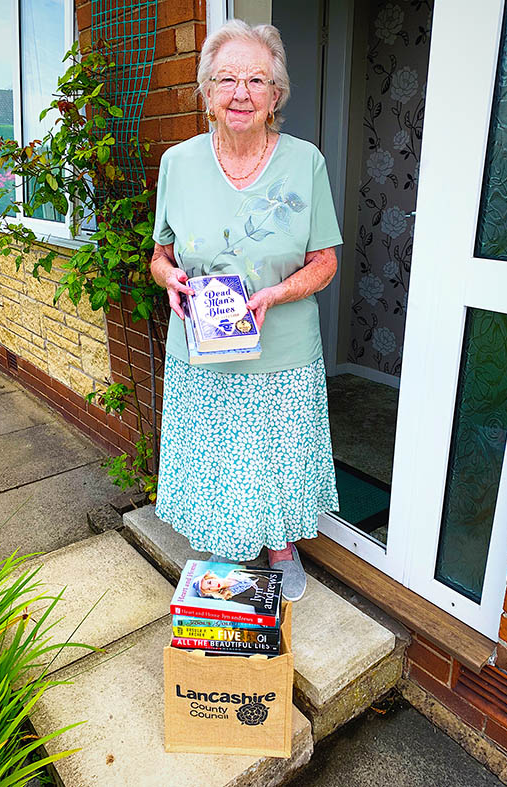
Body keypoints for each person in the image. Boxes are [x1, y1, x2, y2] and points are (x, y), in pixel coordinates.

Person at [150, 19, 342, 602]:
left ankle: (280, 548)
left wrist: (275, 294)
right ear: (206, 91)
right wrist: (170, 279)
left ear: (275, 95)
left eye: (257, 80)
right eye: (227, 79)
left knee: (277, 459)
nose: (241, 93)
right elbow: (160, 254)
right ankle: (227, 549)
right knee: (218, 460)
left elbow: (325, 260)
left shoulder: (304, 161)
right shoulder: (178, 164)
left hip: (281, 350)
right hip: (202, 350)